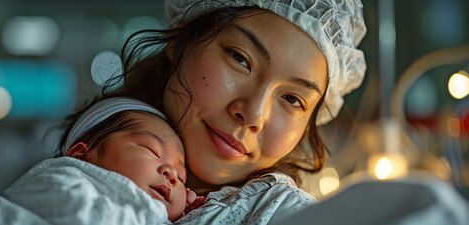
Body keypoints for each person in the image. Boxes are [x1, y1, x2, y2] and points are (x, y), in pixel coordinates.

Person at [104, 0, 367, 224]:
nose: (253, 114)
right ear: (183, 40)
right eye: (240, 59)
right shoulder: (76, 167)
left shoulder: (285, 212)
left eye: (292, 98)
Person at [1, 97, 200, 224]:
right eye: (151, 150)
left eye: (182, 178)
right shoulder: (63, 178)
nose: (172, 173)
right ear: (81, 156)